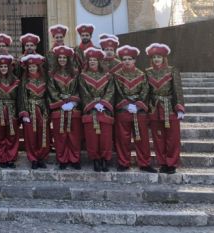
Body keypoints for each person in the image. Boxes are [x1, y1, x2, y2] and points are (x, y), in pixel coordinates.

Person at [113, 45, 156, 173]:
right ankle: (123, 162)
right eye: (124, 59)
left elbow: (146, 91)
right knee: (122, 138)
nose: (127, 61)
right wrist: (126, 105)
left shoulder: (142, 75)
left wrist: (137, 105)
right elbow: (117, 92)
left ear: (134, 60)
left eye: (130, 59)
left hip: (139, 111)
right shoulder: (116, 75)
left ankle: (144, 163)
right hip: (123, 110)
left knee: (142, 138)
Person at [145, 43, 184, 174]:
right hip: (155, 108)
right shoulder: (147, 72)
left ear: (164, 58)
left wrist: (179, 107)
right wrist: (146, 108)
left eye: (159, 57)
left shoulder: (172, 70)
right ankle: (163, 163)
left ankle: (172, 163)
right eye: (154, 57)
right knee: (158, 138)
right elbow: (146, 92)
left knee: (173, 137)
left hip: (170, 108)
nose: (156, 59)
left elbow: (177, 90)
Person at [79, 48, 114, 172]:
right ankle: (95, 160)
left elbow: (110, 91)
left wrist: (103, 103)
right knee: (92, 137)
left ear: (99, 61)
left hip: (104, 110)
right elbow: (83, 92)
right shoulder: (83, 76)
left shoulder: (107, 75)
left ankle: (105, 160)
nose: (92, 62)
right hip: (90, 111)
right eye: (90, 60)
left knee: (105, 137)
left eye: (95, 60)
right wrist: (93, 103)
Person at [48, 45, 82, 170]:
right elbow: (51, 90)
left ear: (68, 59)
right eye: (60, 57)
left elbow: (80, 89)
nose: (62, 59)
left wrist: (73, 103)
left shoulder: (76, 73)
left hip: (73, 108)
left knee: (74, 136)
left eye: (64, 57)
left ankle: (75, 159)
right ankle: (62, 159)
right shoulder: (52, 74)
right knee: (60, 136)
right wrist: (61, 102)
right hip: (59, 109)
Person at [19, 54, 50, 169]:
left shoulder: (44, 78)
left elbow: (48, 95)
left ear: (38, 67)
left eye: (34, 66)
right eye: (30, 66)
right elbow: (22, 95)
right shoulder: (25, 79)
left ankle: (41, 157)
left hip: (42, 109)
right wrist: (24, 112)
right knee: (30, 135)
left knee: (43, 134)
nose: (32, 68)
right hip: (30, 108)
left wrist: (48, 109)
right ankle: (33, 158)